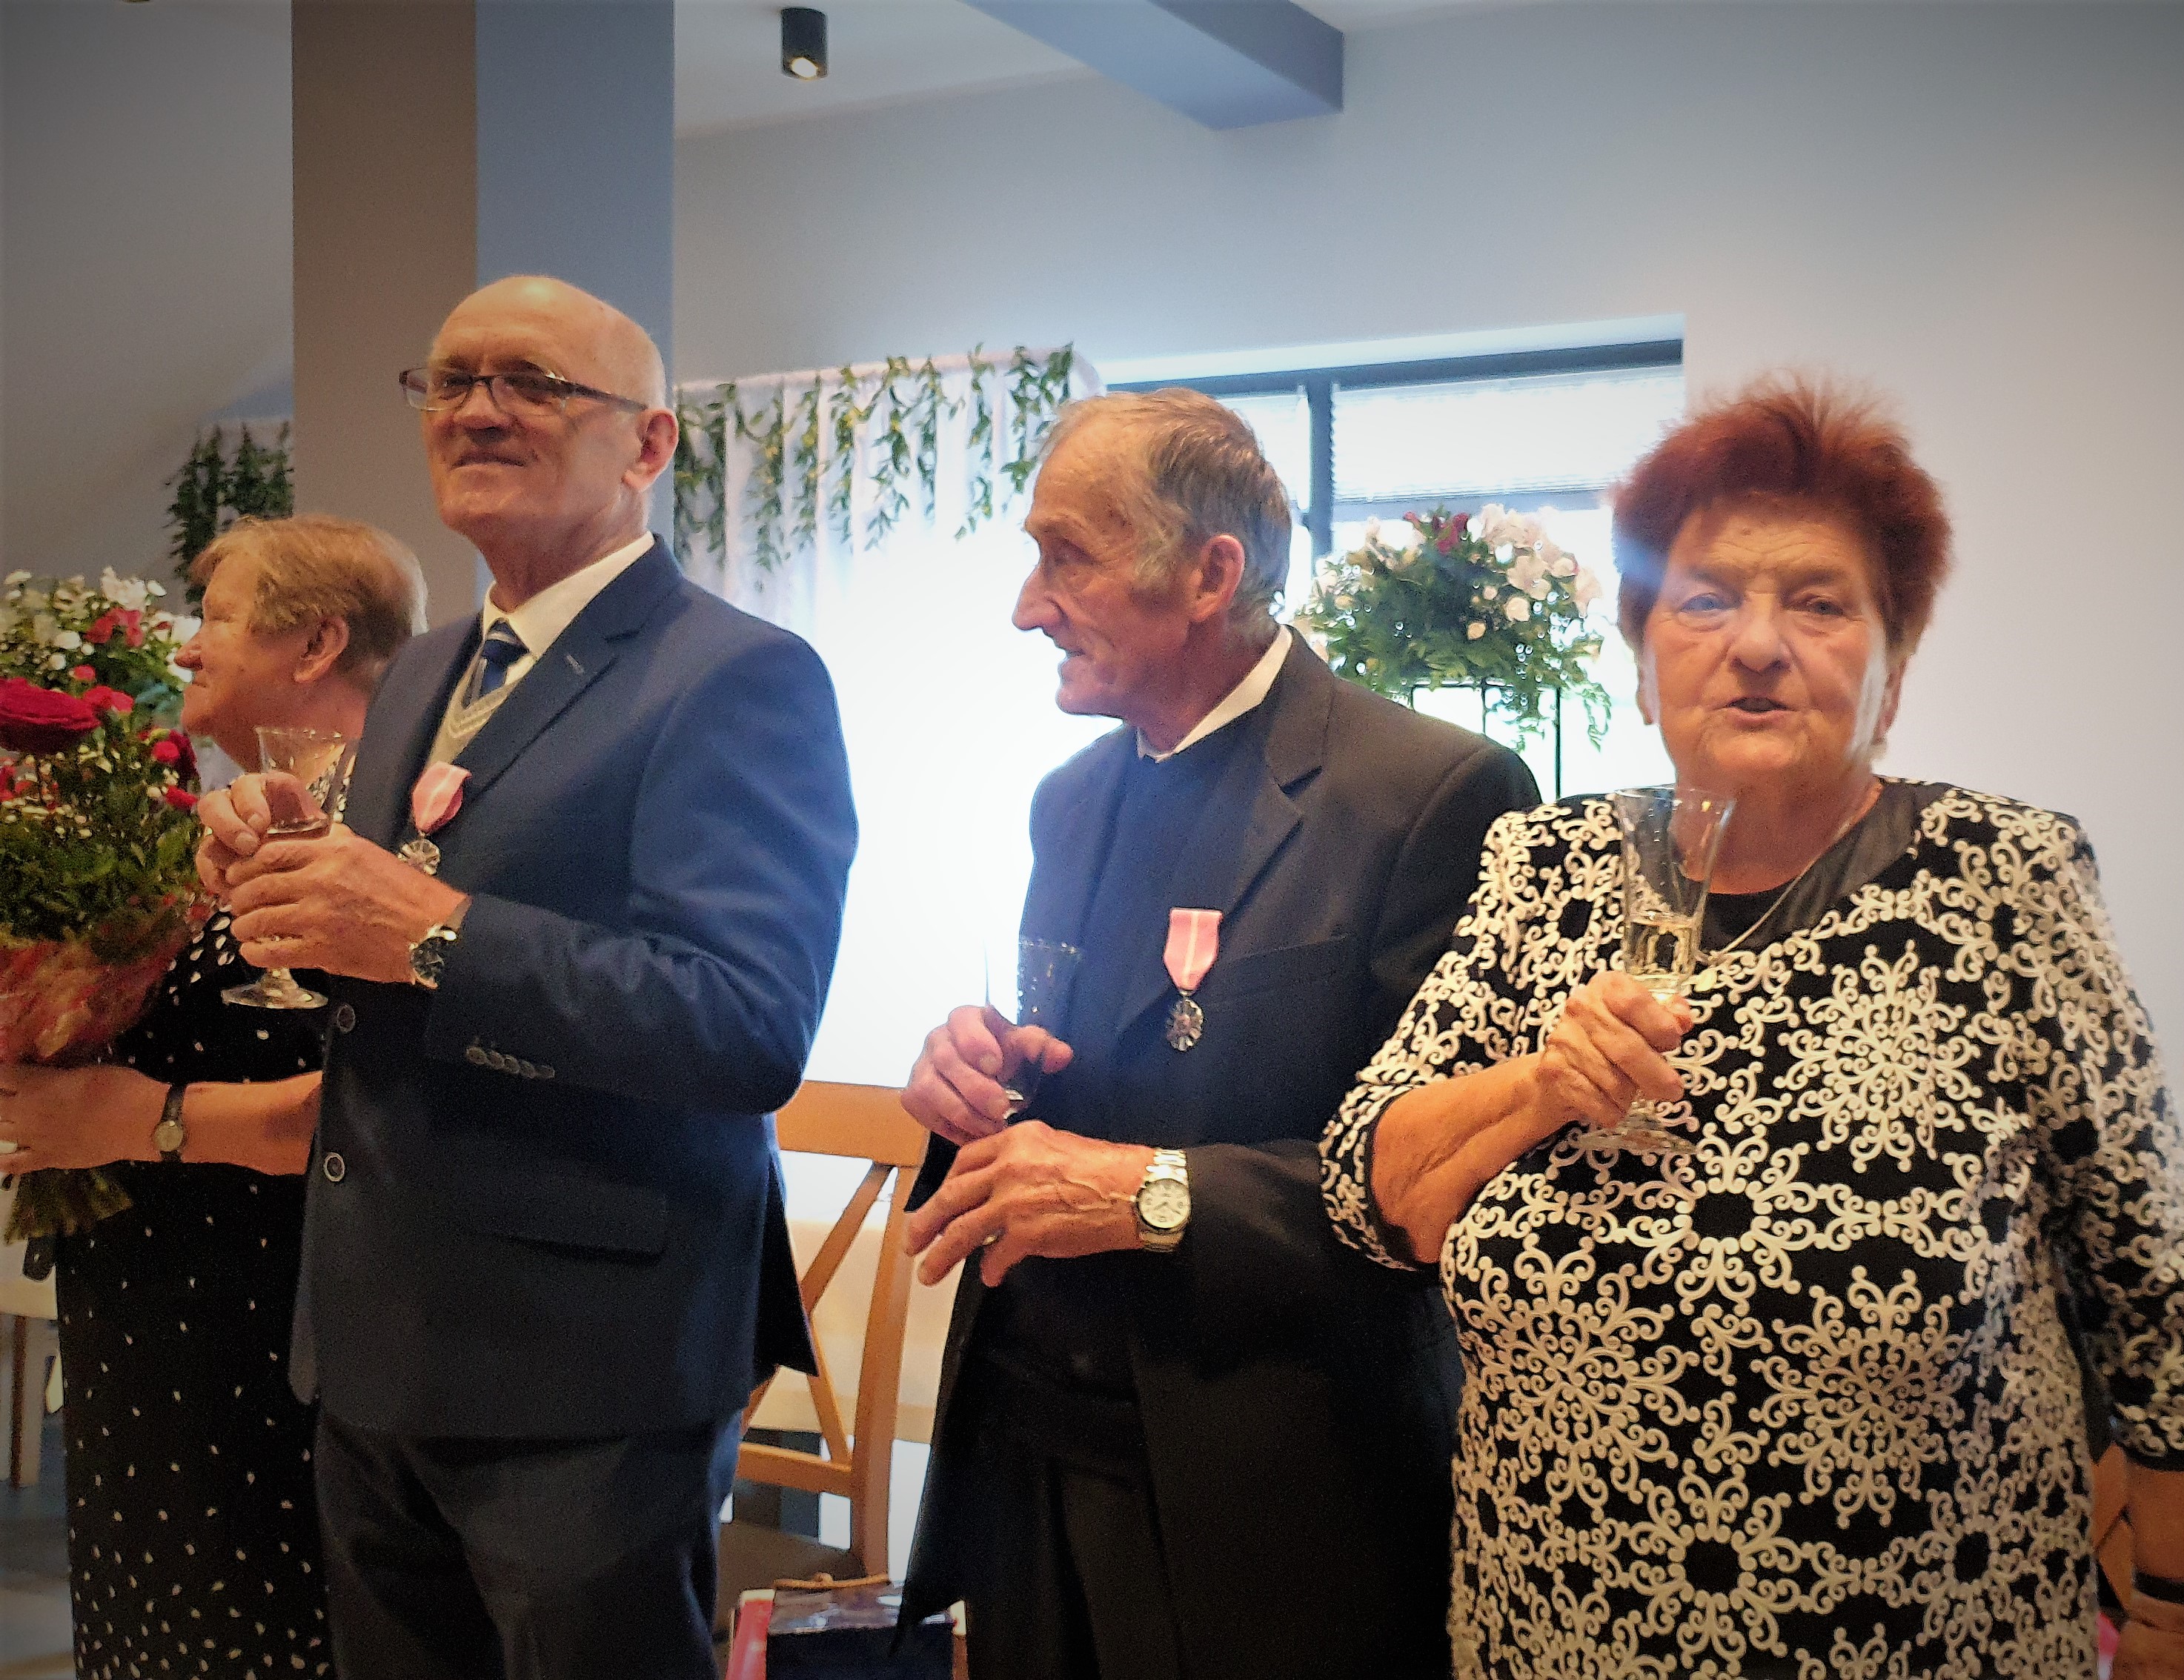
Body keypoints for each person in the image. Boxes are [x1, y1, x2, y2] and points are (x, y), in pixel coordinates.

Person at [1321, 376, 2184, 1680]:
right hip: (1554, 1634)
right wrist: (1541, 1085)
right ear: (1643, 665)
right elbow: (1372, 1198)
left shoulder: (2003, 882)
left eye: (1817, 603)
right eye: (1704, 600)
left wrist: (2171, 1612)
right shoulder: (1544, 869)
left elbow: (2152, 1273)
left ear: (1890, 675)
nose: (1757, 644)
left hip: (1926, 1640)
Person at [192, 275, 857, 1680]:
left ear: (650, 443)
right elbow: (384, 936)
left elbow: (745, 1026)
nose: (479, 409)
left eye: (536, 383)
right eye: (452, 379)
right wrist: (285, 859)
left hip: (586, 1369)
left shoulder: (735, 676)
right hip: (377, 1341)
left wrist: (433, 933)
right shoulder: (430, 666)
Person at [895, 388, 1537, 1680]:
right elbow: (1082, 1081)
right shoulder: (1068, 800)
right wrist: (977, 1079)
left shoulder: (1431, 794)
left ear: (1210, 574)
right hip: (1025, 1467)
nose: (1027, 607)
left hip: (1267, 1498)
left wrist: (1155, 1194)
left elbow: (1454, 1185)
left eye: (1066, 556)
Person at [0, 513, 423, 1680]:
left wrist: (136, 1119)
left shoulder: (387, 853)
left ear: (318, 643)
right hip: (147, 1333)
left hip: (266, 1337)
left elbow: (378, 1108)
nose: (187, 647)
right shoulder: (221, 831)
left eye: (219, 619)